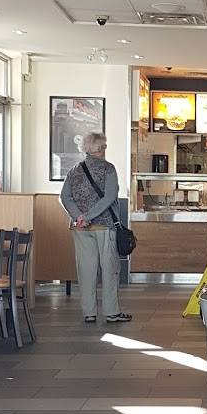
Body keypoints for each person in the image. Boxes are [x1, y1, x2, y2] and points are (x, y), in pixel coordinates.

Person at [60, 131, 131, 325]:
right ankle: (112, 312)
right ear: (101, 148)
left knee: (86, 270)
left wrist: (79, 217)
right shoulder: (108, 169)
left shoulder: (74, 170)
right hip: (104, 225)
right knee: (109, 270)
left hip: (80, 228)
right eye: (104, 146)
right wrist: (89, 216)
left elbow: (65, 197)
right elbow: (109, 198)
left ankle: (89, 312)